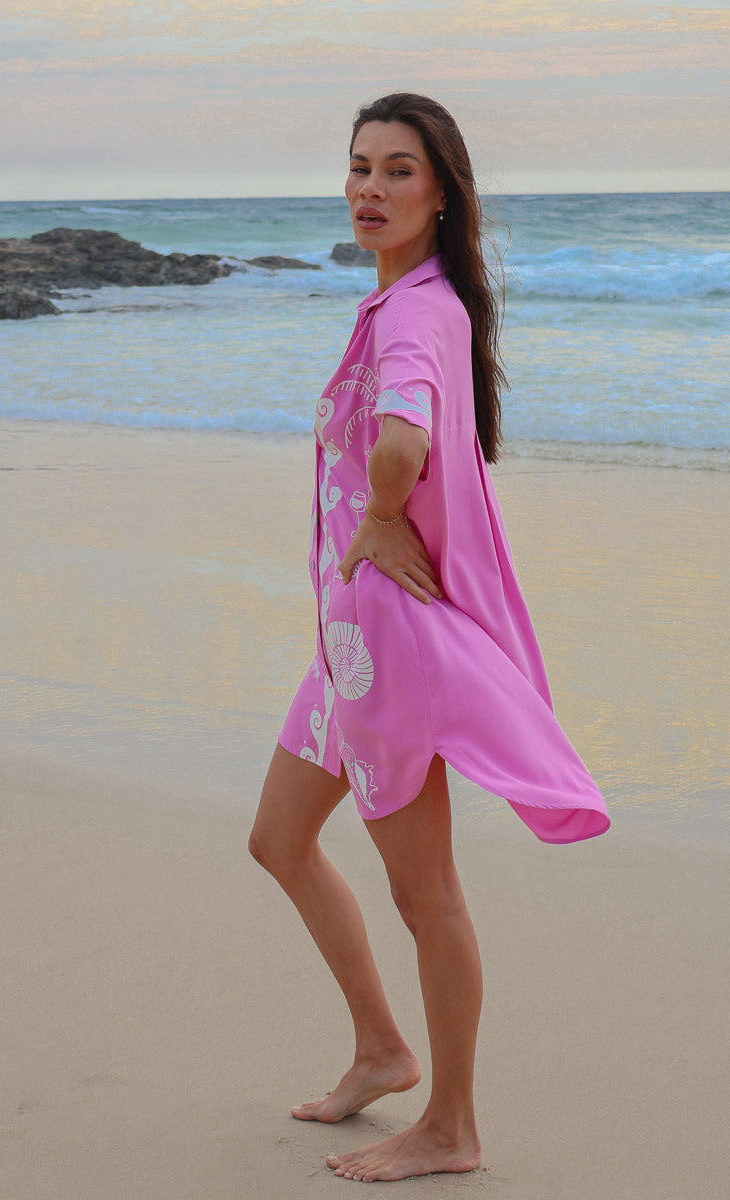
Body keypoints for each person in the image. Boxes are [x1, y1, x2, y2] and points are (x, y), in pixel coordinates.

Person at [248, 92, 610, 1183]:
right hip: (348, 646)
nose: (369, 188)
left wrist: (377, 514)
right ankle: (381, 1049)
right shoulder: (413, 300)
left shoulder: (414, 313)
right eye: (359, 167)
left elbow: (401, 443)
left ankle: (451, 1126)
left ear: (442, 191)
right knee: (278, 840)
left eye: (397, 170)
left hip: (387, 651)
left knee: (426, 895)